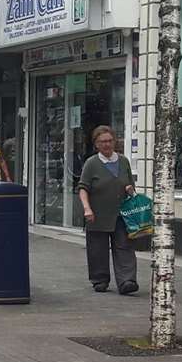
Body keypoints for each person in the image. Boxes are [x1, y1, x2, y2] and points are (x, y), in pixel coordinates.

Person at [77, 125, 139, 294]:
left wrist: (129, 190)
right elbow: (83, 188)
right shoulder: (92, 163)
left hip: (121, 213)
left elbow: (131, 187)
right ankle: (99, 279)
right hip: (97, 214)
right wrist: (87, 208)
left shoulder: (123, 160)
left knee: (124, 247)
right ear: (96, 144)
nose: (107, 144)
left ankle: (127, 280)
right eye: (102, 141)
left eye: (110, 140)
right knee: (98, 248)